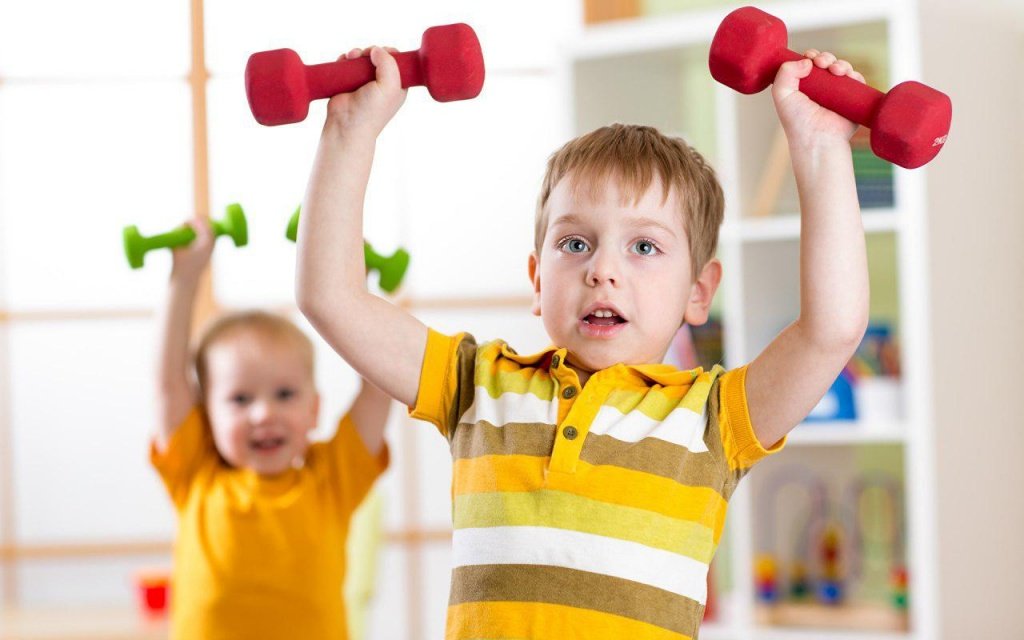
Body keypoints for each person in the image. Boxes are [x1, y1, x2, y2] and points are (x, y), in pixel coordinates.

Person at [296, 44, 868, 639]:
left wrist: (820, 149)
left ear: (698, 292)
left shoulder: (713, 422)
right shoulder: (477, 387)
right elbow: (331, 298)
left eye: (643, 247)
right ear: (538, 281)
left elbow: (832, 330)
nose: (602, 271)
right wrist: (348, 133)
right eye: (575, 244)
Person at [151, 219, 390, 640]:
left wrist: (356, 287)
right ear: (206, 415)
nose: (263, 414)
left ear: (314, 409)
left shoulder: (332, 478)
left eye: (284, 394)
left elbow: (378, 388)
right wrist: (184, 279)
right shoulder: (196, 474)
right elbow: (169, 382)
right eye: (240, 399)